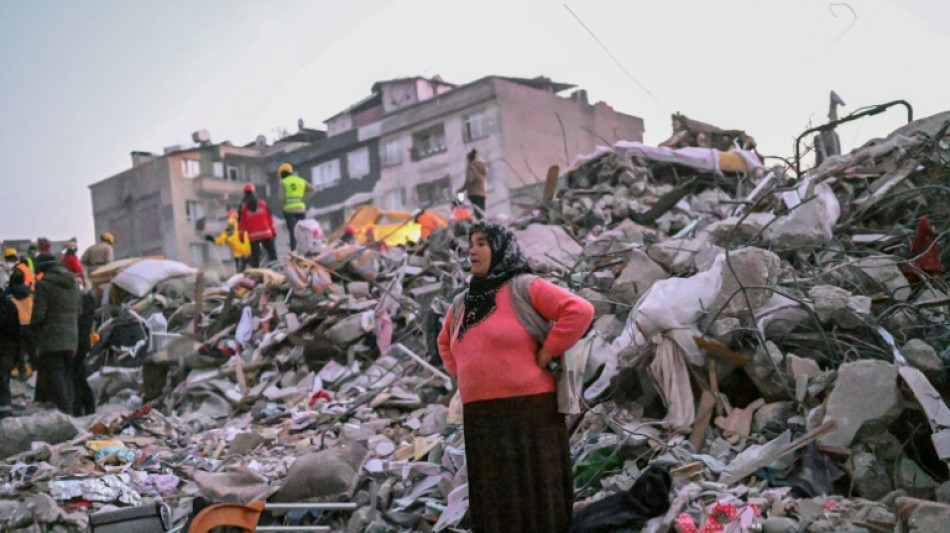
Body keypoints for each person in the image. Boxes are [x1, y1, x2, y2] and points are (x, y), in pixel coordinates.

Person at [437, 222, 593, 533]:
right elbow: (444, 343)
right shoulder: (462, 303)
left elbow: (579, 310)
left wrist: (549, 351)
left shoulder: (523, 287)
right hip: (482, 416)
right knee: (495, 496)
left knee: (535, 489)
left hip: (530, 411)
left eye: (482, 243)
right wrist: (466, 376)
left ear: (501, 249)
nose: (472, 250)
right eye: (470, 244)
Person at [31, 253, 81, 414]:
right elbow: (79, 310)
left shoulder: (44, 284)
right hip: (72, 337)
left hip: (52, 338)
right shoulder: (73, 283)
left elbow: (39, 315)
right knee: (67, 374)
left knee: (56, 374)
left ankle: (64, 412)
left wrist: (32, 329)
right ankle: (71, 409)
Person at [277, 163, 316, 252]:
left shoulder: (284, 183)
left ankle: (294, 251)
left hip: (289, 211)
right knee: (302, 231)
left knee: (293, 232)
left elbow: (281, 198)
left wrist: (282, 208)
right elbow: (313, 189)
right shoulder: (300, 180)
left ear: (284, 173)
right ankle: (306, 249)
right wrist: (303, 198)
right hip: (301, 209)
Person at [238, 183, 277, 268]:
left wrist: (241, 238)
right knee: (273, 256)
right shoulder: (263, 204)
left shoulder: (243, 207)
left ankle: (251, 264)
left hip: (253, 237)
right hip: (266, 233)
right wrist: (274, 232)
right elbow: (270, 219)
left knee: (256, 260)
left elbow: (241, 224)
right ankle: (276, 272)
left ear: (244, 193)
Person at [72, 288, 97, 416]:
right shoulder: (86, 300)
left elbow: (81, 324)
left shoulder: (85, 301)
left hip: (78, 344)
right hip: (81, 343)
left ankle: (82, 407)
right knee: (79, 376)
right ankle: (86, 407)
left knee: (77, 377)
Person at [0, 279, 21, 418]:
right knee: (4, 379)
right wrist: (18, 353)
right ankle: (6, 409)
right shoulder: (10, 305)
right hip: (8, 349)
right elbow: (17, 331)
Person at [7, 269, 34, 380]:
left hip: (15, 324)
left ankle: (19, 369)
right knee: (30, 349)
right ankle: (33, 371)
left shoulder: (8, 293)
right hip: (29, 324)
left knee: (18, 349)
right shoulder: (30, 293)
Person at [460, 149, 487, 219]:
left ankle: (480, 227)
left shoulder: (471, 166)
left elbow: (470, 179)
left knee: (477, 213)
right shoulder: (481, 166)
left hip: (474, 193)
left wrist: (462, 189)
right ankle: (484, 225)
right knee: (482, 212)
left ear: (469, 159)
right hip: (482, 192)